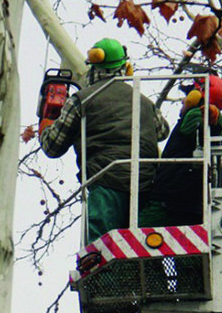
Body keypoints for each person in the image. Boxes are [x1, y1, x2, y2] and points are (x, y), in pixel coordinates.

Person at [38, 38, 169, 244]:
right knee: (143, 249)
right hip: (145, 186)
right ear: (126, 68)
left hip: (106, 184)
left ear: (93, 65)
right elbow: (163, 132)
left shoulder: (81, 100)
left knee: (102, 253)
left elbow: (52, 146)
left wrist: (45, 121)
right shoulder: (144, 102)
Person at [139, 74, 222, 227]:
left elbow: (208, 125)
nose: (183, 100)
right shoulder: (198, 116)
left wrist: (213, 115)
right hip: (189, 204)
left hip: (169, 201)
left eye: (188, 95)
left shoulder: (196, 114)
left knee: (138, 234)